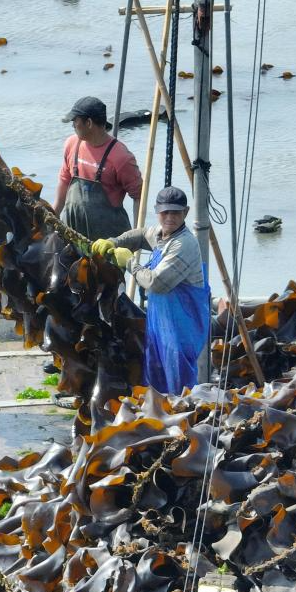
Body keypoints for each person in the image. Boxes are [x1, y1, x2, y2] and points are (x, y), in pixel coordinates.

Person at [90, 186, 209, 395]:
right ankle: (160, 417)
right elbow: (141, 235)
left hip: (183, 326)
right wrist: (114, 242)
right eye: (165, 212)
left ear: (186, 212)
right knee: (155, 373)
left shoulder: (184, 244)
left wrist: (130, 263)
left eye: (176, 212)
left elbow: (156, 283)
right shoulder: (162, 233)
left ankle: (184, 419)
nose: (169, 217)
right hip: (161, 323)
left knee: (179, 381)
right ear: (157, 211)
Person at [53, 96, 142, 240]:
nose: (73, 126)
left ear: (88, 123)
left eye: (75, 121)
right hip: (72, 232)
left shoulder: (121, 157)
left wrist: (137, 236)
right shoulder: (71, 145)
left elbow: (139, 197)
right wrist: (53, 217)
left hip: (109, 239)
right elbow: (64, 181)